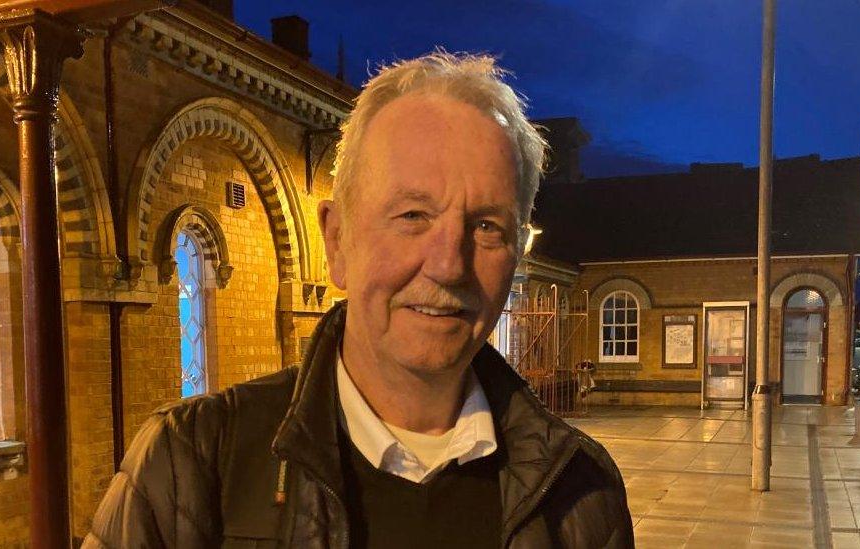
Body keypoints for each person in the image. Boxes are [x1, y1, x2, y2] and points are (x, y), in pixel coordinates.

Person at [84, 52, 633, 549]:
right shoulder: (187, 468)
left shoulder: (581, 492)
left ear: (516, 254)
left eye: (487, 226)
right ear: (338, 240)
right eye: (413, 216)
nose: (448, 264)